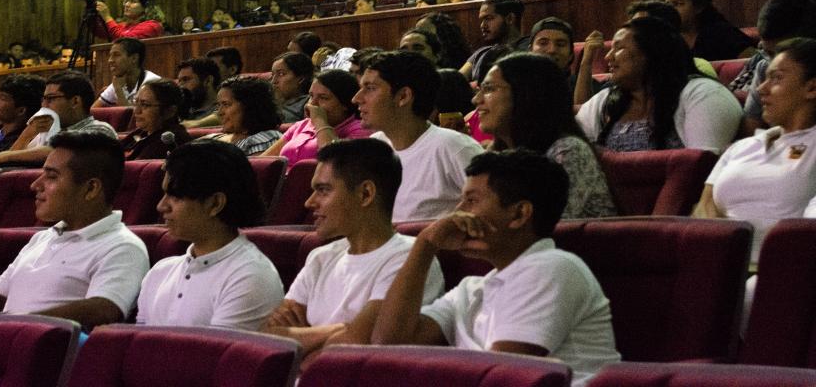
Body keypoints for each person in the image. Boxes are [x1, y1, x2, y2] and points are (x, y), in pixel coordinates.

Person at [371, 149, 620, 386]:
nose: (457, 213)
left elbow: (502, 378)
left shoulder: (554, 268)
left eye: (471, 201)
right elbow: (389, 347)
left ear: (519, 214)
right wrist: (425, 245)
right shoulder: (471, 289)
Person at [0, 132, 150, 330]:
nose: (35, 185)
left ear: (91, 188)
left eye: (52, 176)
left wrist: (18, 324)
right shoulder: (42, 238)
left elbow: (104, 309)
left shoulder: (123, 247)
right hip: (9, 340)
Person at [262, 139, 445, 364]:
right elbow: (269, 337)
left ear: (365, 194)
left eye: (323, 190)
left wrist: (304, 339)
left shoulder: (409, 259)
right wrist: (341, 329)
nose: (309, 203)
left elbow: (358, 348)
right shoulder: (321, 257)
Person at [136, 140, 282, 329]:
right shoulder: (160, 272)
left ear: (215, 204)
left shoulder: (250, 277)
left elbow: (218, 349)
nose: (161, 206)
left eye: (176, 196)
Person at [694, 37, 816, 261]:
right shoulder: (741, 148)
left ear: (811, 88)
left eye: (776, 78)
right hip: (723, 266)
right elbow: (705, 208)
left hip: (788, 268)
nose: (761, 88)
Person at [475, 53, 615, 218]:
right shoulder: (497, 153)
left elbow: (545, 226)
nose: (476, 99)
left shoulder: (568, 152)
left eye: (489, 89)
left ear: (526, 95)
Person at [576, 17, 742, 153]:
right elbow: (576, 153)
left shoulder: (703, 93)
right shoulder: (605, 100)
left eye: (619, 48)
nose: (608, 57)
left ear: (651, 52)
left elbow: (701, 166)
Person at [355, 51, 484, 222]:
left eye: (370, 88)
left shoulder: (454, 148)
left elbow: (494, 212)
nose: (356, 98)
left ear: (403, 96)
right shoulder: (375, 146)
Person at [0, 71, 117, 166]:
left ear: (75, 101)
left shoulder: (100, 129)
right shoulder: (45, 132)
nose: (44, 105)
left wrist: (6, 156)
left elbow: (60, 153)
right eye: (43, 99)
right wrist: (27, 134)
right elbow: (4, 165)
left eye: (50, 99)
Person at [741, 0, 816, 135]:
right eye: (768, 53)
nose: (774, 62)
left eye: (782, 54)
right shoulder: (764, 68)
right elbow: (750, 133)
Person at [263, 70, 370, 168]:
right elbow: (264, 160)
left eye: (323, 98)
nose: (312, 104)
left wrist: (320, 121)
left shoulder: (360, 129)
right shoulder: (303, 125)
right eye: (311, 96)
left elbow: (335, 162)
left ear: (345, 104)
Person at [665, 0, 755, 61]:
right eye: (668, 5)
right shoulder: (667, 37)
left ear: (699, 7)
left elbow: (755, 61)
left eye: (678, 4)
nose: (671, 10)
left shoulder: (721, 33)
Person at [200, 76, 283, 155]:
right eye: (218, 105)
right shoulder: (215, 137)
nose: (220, 112)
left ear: (249, 107)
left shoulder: (265, 138)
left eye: (226, 104)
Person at [459, 0, 530, 83]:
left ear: (510, 19)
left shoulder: (528, 48)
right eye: (482, 20)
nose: (482, 25)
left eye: (489, 18)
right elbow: (455, 81)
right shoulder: (481, 52)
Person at [120, 80, 192, 160]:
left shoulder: (169, 141)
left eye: (145, 104)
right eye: (136, 102)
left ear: (170, 111)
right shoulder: (142, 132)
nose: (136, 111)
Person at [92, 38, 161, 108]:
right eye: (110, 55)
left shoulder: (152, 83)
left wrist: (119, 91)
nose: (110, 60)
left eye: (116, 55)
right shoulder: (118, 82)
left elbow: (136, 114)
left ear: (134, 58)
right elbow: (93, 110)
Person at [94, 0, 164, 40]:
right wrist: (94, 16)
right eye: (126, 1)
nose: (126, 5)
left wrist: (107, 17)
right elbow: (102, 33)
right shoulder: (125, 25)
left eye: (133, 1)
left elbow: (124, 42)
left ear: (145, 7)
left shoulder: (152, 26)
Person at [179, 57, 223, 128]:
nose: (181, 86)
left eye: (186, 79)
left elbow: (222, 116)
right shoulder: (184, 107)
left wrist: (196, 124)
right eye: (179, 81)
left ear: (208, 80)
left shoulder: (222, 107)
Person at [271, 52, 314, 123]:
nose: (273, 81)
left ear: (301, 79)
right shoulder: (270, 99)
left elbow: (309, 126)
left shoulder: (308, 103)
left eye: (281, 74)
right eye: (272, 75)